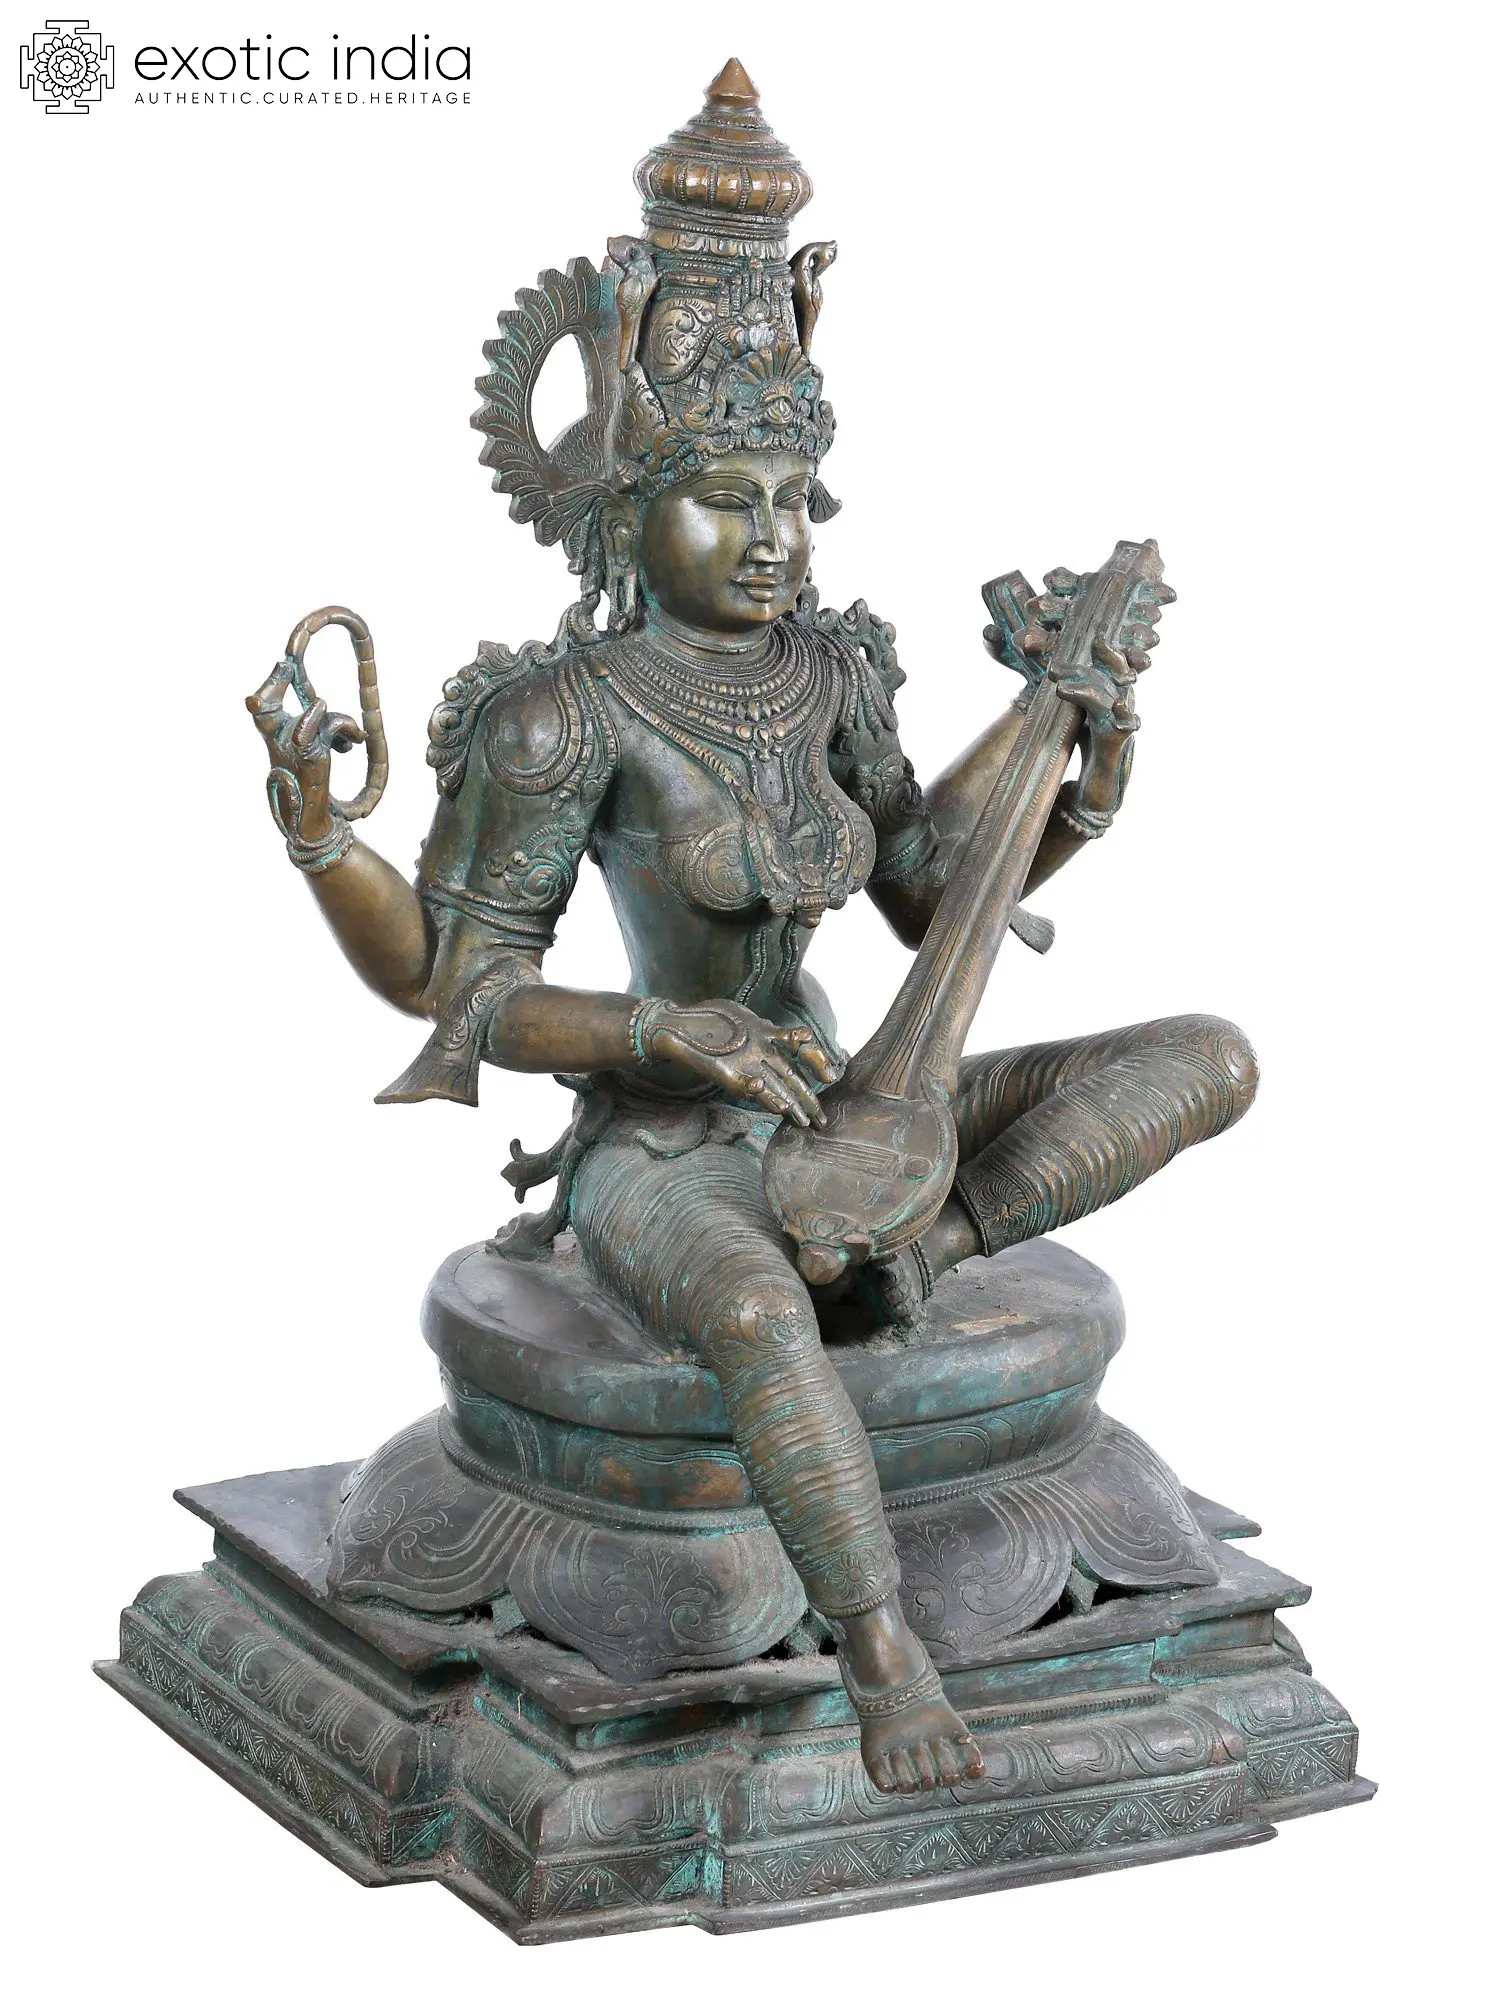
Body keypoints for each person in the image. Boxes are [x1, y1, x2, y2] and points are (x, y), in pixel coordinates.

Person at [248, 61, 1256, 1797]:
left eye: (796, 500)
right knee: (762, 1323)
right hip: (664, 1147)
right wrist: (343, 849)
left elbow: (930, 893)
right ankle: (882, 1654)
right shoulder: (566, 713)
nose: (777, 540)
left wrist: (1080, 774)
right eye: (732, 497)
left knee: (1209, 1059)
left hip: (856, 1108)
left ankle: (928, 1249)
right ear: (627, 503)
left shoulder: (832, 671)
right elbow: (459, 987)